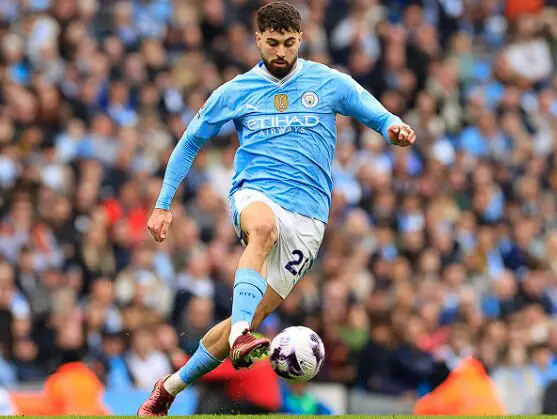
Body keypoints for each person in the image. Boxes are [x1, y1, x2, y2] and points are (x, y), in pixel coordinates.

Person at [138, 1, 415, 415]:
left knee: (242, 318)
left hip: (308, 220)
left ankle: (170, 388)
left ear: (300, 39)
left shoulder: (328, 82)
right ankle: (240, 338)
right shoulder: (236, 91)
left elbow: (375, 113)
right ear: (258, 40)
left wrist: (394, 127)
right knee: (262, 231)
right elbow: (190, 140)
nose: (281, 52)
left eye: (288, 43)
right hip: (256, 194)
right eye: (272, 43)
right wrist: (163, 204)